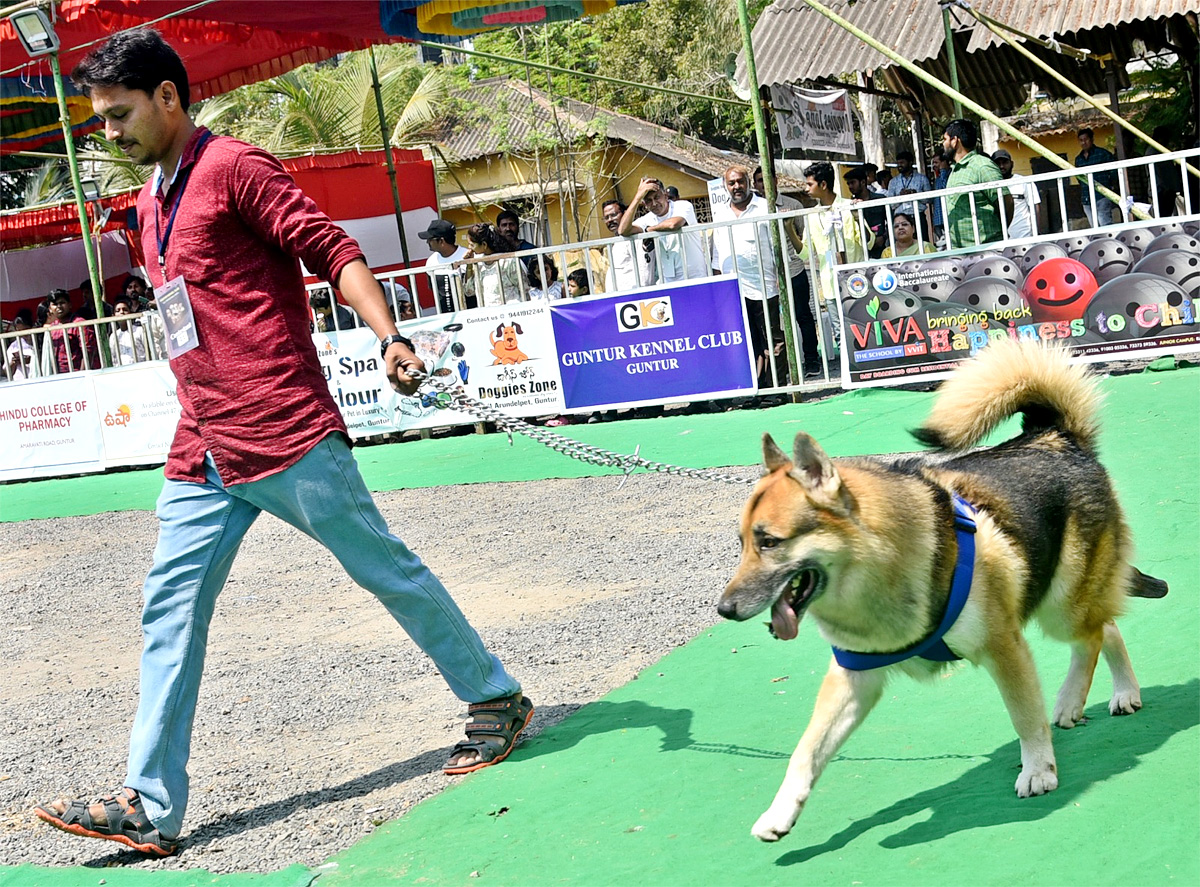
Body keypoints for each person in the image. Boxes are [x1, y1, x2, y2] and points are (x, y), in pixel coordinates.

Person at [36, 28, 532, 859]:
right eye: (101, 121)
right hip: (202, 443)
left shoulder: (236, 167)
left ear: (167, 97)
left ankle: (496, 698)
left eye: (120, 115)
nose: (110, 134)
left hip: (285, 427)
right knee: (170, 609)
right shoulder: (151, 199)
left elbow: (333, 250)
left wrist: (390, 337)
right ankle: (150, 805)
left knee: (386, 569)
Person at [712, 165, 781, 386]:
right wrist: (718, 286)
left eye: (740, 181)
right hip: (733, 290)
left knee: (772, 340)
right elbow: (717, 253)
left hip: (765, 285)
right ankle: (755, 388)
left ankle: (776, 388)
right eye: (731, 183)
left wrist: (780, 278)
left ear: (748, 182)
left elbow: (776, 246)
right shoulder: (720, 214)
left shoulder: (764, 208)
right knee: (747, 342)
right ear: (725, 186)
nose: (736, 187)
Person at [752, 167, 821, 379]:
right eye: (759, 181)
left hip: (793, 270)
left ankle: (811, 360)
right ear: (755, 184)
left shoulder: (793, 205)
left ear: (775, 181)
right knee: (773, 325)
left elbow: (801, 236)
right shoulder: (753, 210)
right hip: (766, 277)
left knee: (803, 317)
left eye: (767, 179)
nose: (763, 184)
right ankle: (783, 369)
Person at [795, 161, 870, 349]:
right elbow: (805, 252)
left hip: (857, 280)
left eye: (809, 184)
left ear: (823, 185)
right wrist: (789, 229)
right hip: (830, 283)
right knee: (841, 335)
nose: (806, 189)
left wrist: (856, 217)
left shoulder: (849, 206)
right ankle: (849, 374)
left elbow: (869, 241)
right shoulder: (812, 215)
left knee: (864, 328)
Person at [617, 177, 708, 283]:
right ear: (645, 204)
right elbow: (623, 230)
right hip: (667, 281)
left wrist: (649, 230)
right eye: (649, 201)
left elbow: (673, 224)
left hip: (695, 277)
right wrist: (637, 197)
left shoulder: (683, 205)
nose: (654, 203)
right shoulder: (647, 218)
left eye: (657, 197)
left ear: (665, 195)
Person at [942, 118, 1004, 249]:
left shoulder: (982, 166)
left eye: (945, 139)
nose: (943, 144)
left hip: (987, 249)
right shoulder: (955, 169)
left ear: (955, 141)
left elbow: (1005, 202)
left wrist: (998, 232)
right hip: (960, 251)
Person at [461, 222, 525, 307]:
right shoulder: (478, 264)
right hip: (488, 316)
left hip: (512, 314)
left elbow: (524, 289)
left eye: (472, 244)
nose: (469, 247)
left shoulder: (508, 262)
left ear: (484, 244)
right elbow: (469, 291)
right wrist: (469, 264)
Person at [600, 199, 655, 292]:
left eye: (613, 215)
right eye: (606, 217)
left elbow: (644, 270)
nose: (610, 220)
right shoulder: (618, 240)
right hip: (619, 299)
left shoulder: (635, 236)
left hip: (635, 297)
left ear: (625, 213)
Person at [41, 289, 98, 374]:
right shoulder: (53, 327)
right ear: (50, 309)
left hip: (77, 373)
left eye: (62, 303)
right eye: (55, 304)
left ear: (70, 305)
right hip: (59, 375)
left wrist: (82, 375)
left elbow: (88, 352)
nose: (59, 307)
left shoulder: (79, 323)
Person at [419, 219, 469, 313]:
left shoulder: (467, 257)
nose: (427, 242)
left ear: (441, 241)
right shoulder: (431, 261)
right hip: (446, 317)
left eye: (430, 239)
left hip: (470, 314)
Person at [992, 148, 1041, 240]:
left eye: (1005, 162)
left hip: (1024, 236)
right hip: (999, 240)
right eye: (998, 163)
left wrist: (1036, 232)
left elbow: (1035, 207)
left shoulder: (1024, 182)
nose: (1002, 166)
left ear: (1012, 164)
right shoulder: (989, 186)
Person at [1075, 127, 1118, 227]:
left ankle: (1109, 242)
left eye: (1086, 139)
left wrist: (1109, 186)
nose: (1084, 143)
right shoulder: (1078, 159)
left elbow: (1113, 171)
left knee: (1105, 223)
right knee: (1094, 226)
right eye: (1081, 140)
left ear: (1092, 139)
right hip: (1086, 197)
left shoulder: (1103, 154)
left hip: (1102, 195)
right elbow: (1079, 178)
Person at [110, 292, 167, 363]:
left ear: (130, 313)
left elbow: (149, 351)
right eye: (118, 310)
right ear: (113, 315)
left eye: (125, 309)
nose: (121, 312)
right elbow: (113, 356)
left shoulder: (139, 331)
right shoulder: (113, 336)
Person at [843, 167, 885, 258]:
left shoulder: (880, 199)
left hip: (881, 247)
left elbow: (891, 221)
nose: (850, 186)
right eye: (848, 183)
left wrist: (884, 237)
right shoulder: (849, 205)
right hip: (860, 249)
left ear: (862, 182)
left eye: (853, 182)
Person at [886, 149, 931, 220]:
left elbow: (929, 199)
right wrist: (900, 197)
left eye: (902, 163)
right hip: (900, 217)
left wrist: (915, 194)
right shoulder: (893, 182)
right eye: (898, 163)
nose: (899, 165)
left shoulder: (922, 179)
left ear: (910, 163)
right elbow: (890, 204)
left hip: (918, 216)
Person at [4, 308, 40, 381]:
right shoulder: (14, 346)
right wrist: (14, 362)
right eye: (19, 331)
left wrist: (32, 360)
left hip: (37, 379)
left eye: (25, 330)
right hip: (19, 382)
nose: (23, 334)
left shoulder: (39, 341)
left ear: (32, 327)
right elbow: (7, 372)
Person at [929, 150, 952, 242]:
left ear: (944, 162)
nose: (934, 165)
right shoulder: (937, 179)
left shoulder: (951, 175)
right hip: (939, 220)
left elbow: (945, 187)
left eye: (936, 162)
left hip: (949, 217)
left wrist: (943, 170)